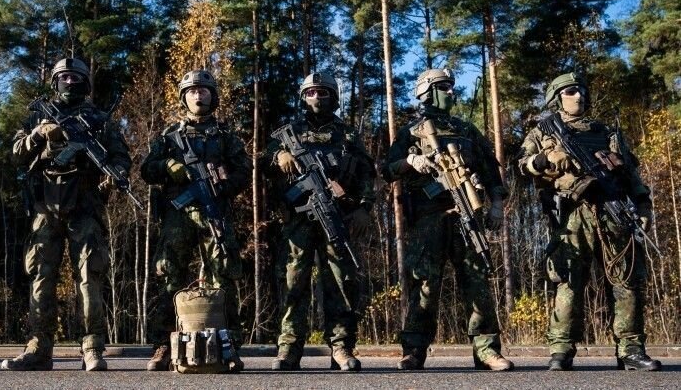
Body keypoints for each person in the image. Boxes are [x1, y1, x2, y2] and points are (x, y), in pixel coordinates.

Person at [518, 73, 661, 371]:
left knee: (625, 279)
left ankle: (631, 349)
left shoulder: (605, 131)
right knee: (569, 281)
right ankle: (561, 350)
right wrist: (544, 160)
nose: (579, 96)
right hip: (573, 214)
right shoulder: (542, 131)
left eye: (582, 90)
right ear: (557, 97)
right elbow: (522, 165)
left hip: (612, 210)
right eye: (571, 91)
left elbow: (630, 172)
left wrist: (643, 205)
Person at [3, 58, 132, 371]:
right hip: (44, 206)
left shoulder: (100, 120)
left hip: (85, 204)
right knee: (40, 276)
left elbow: (120, 156)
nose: (70, 82)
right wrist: (37, 135)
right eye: (64, 77)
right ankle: (38, 348)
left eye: (76, 77)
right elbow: (15, 154)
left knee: (89, 276)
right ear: (55, 81)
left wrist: (116, 174)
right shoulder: (38, 115)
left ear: (85, 82)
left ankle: (92, 348)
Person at [381, 68, 512, 371]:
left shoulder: (466, 130)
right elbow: (387, 170)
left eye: (451, 87)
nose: (451, 92)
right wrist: (410, 161)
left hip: (467, 215)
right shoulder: (411, 132)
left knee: (478, 282)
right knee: (424, 284)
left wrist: (496, 204)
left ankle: (487, 350)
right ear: (427, 92)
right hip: (428, 219)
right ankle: (414, 350)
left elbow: (491, 170)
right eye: (444, 87)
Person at [140, 69, 251, 372]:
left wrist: (223, 185)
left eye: (203, 90)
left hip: (215, 211)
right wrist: (168, 165)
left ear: (213, 97)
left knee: (223, 275)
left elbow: (244, 170)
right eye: (191, 91)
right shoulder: (169, 136)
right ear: (183, 97)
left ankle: (227, 345)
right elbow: (147, 169)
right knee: (169, 276)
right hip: (178, 214)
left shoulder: (226, 136)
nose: (197, 95)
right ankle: (164, 345)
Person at [268, 73, 375, 372]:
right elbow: (262, 161)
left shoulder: (347, 134)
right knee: (293, 282)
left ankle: (341, 346)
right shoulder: (291, 131)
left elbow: (367, 172)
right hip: (298, 219)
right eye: (311, 92)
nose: (317, 97)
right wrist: (279, 155)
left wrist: (364, 207)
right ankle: (289, 349)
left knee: (342, 280)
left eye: (323, 92)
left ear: (333, 96)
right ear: (304, 97)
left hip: (336, 214)